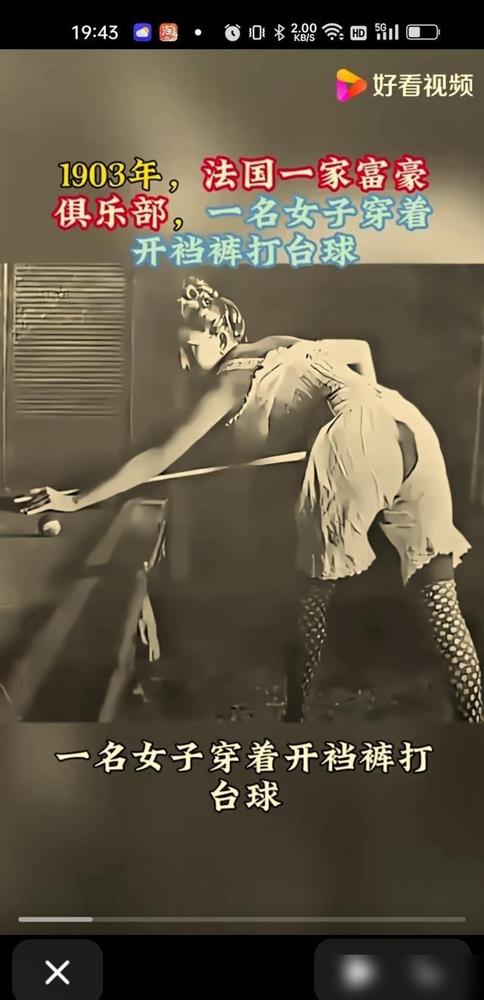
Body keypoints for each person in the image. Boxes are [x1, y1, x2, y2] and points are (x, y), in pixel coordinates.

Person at [18, 276, 483, 724]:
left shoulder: (227, 383)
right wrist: (364, 418)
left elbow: (158, 457)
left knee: (310, 599)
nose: (183, 363)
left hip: (353, 438)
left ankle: (295, 717)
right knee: (439, 599)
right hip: (404, 419)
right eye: (176, 351)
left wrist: (76, 501)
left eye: (190, 349)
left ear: (220, 337)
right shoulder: (278, 343)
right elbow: (359, 353)